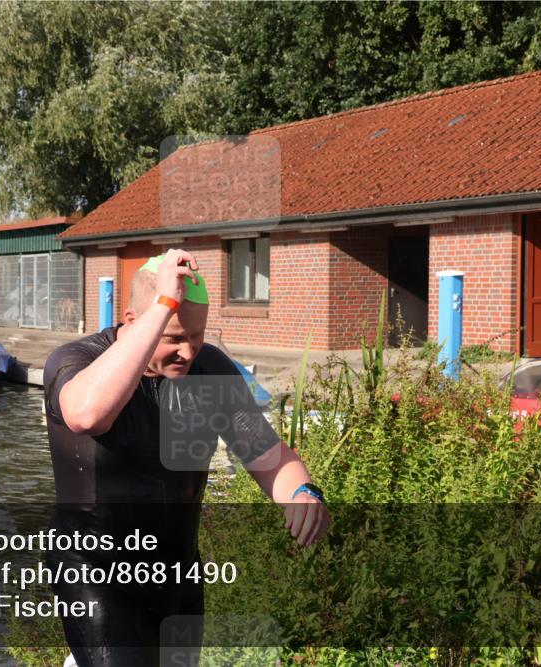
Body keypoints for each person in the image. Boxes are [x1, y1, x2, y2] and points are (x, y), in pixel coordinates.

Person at [42, 248, 329, 667]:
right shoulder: (75, 361)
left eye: (196, 336)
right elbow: (86, 415)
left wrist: (301, 492)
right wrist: (162, 306)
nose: (188, 352)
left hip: (176, 575)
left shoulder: (210, 371)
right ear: (134, 320)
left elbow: (269, 455)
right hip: (94, 572)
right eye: (174, 338)